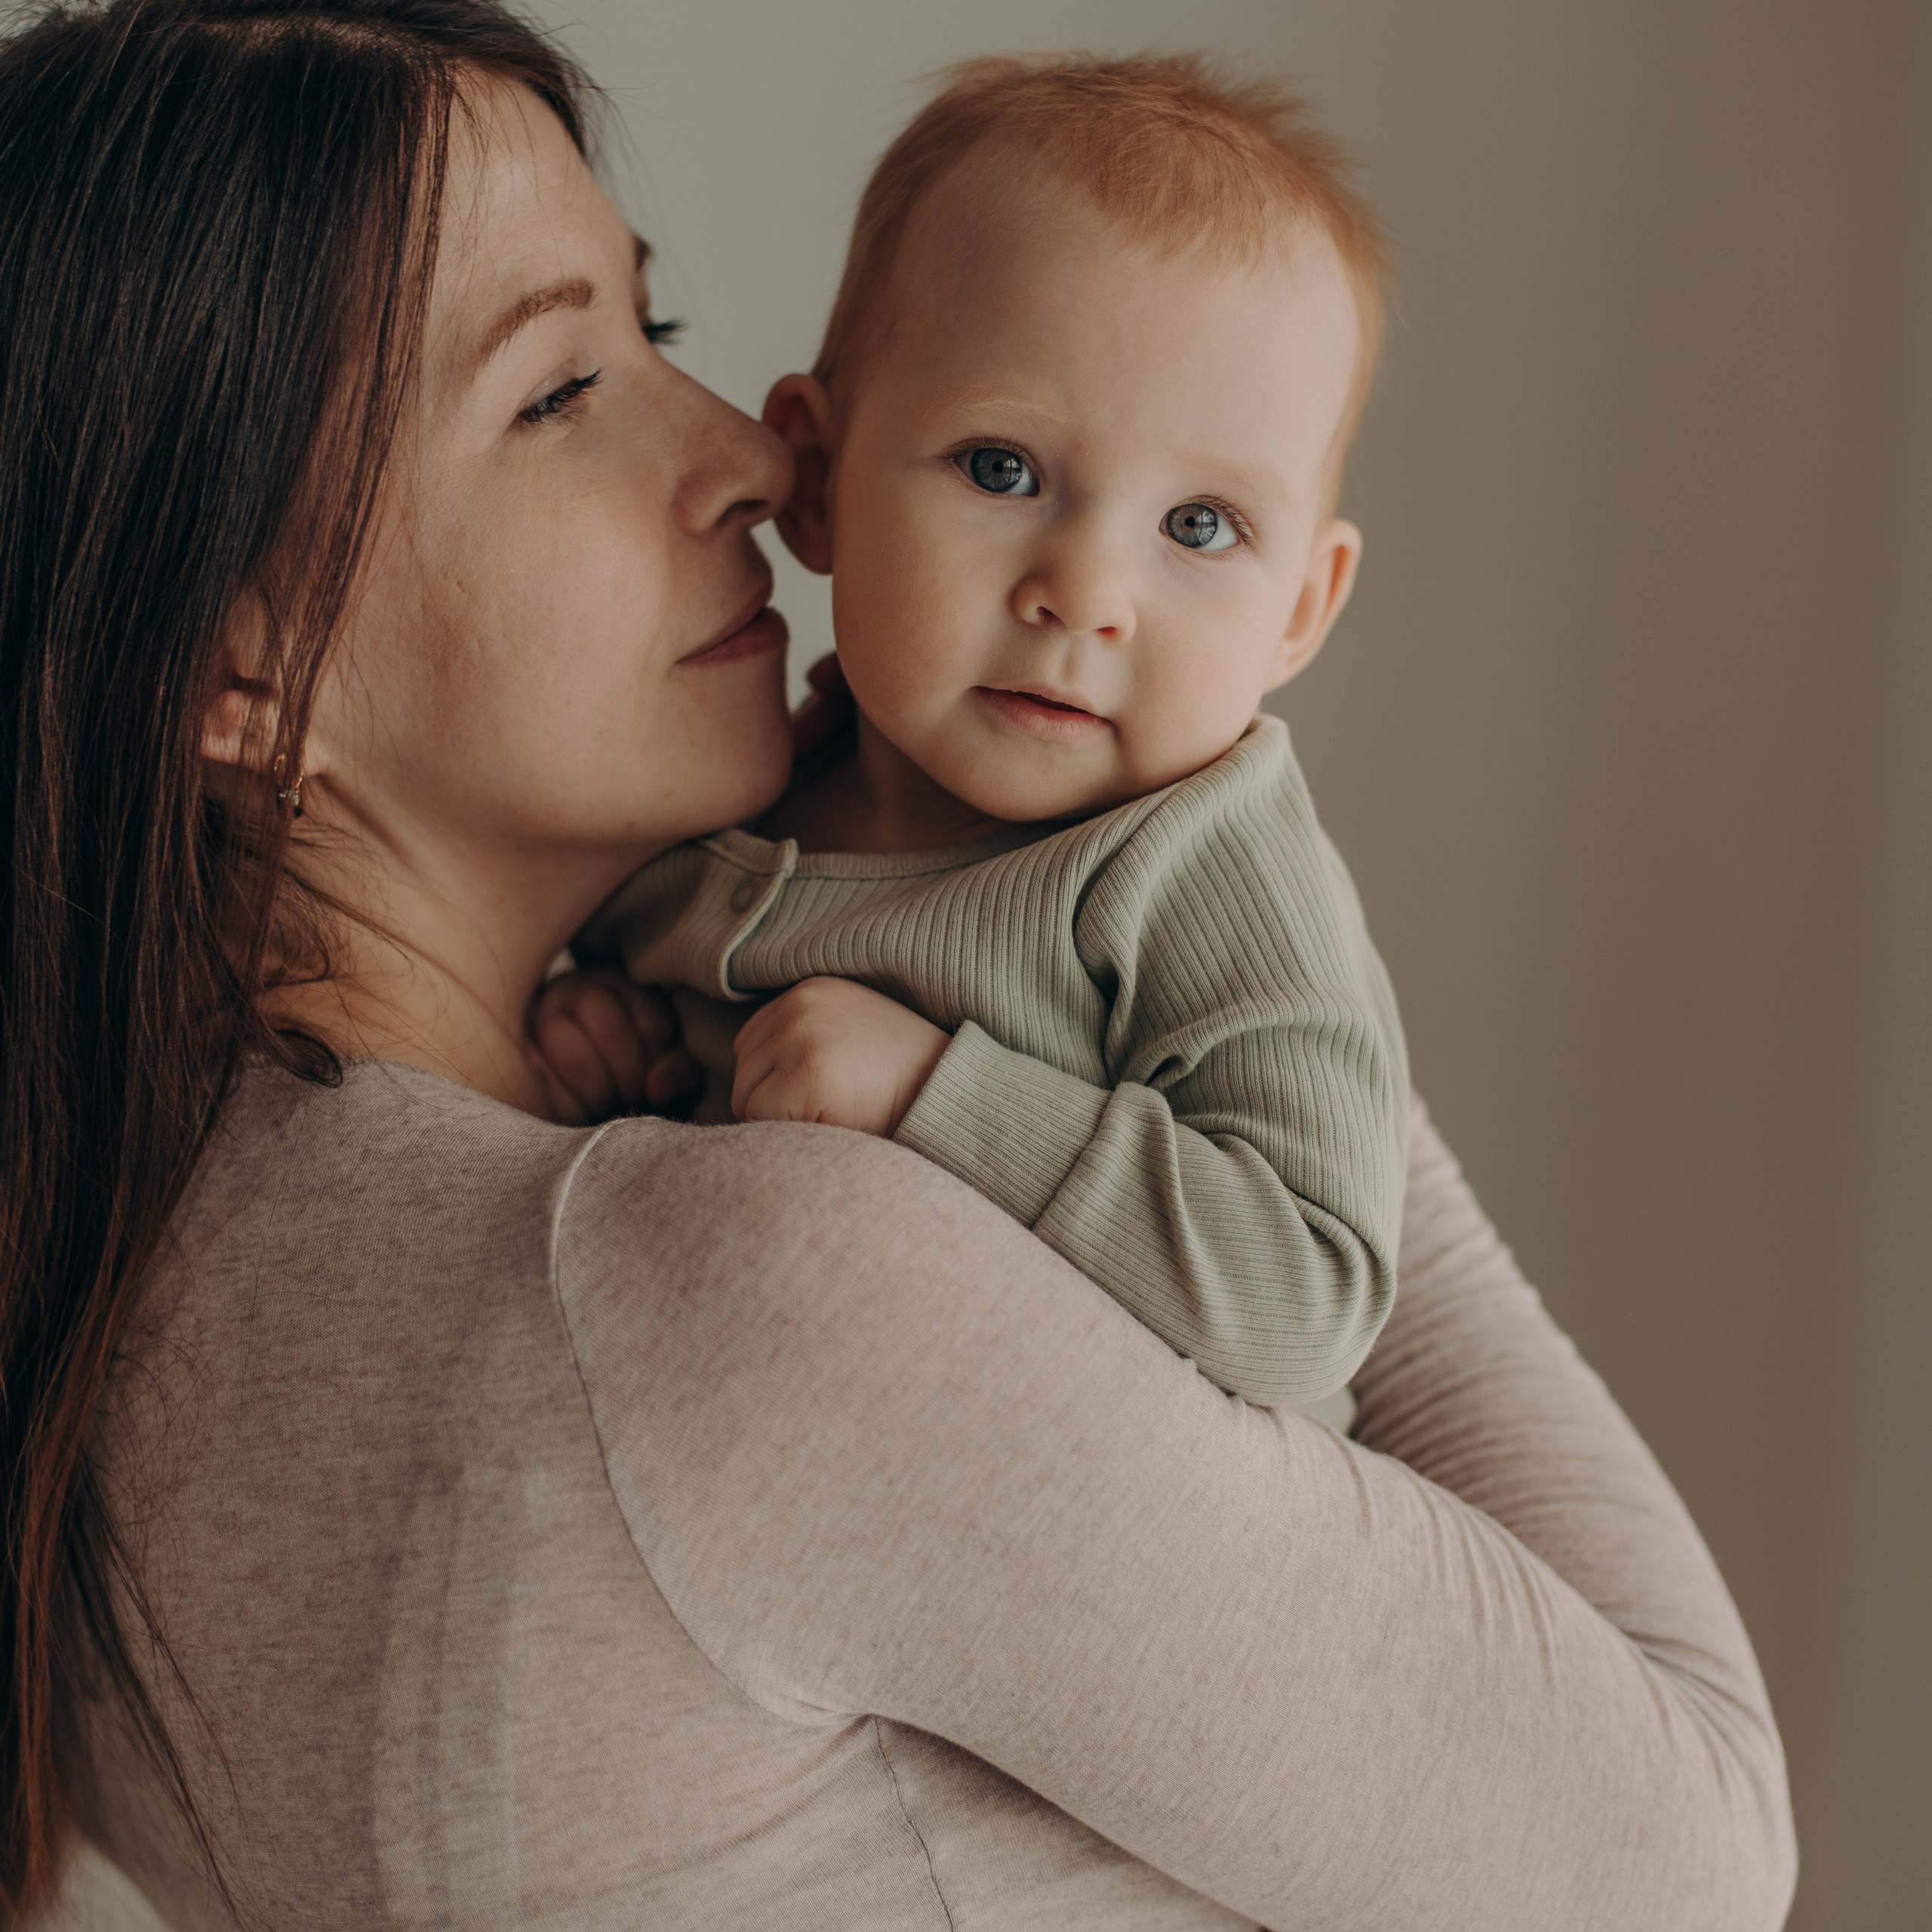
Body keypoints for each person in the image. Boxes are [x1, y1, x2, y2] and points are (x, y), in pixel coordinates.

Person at [0, 2, 1795, 1927]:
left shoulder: (107, 1273)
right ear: (238, 673)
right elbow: (1684, 1856)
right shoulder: (740, 1281)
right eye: (556, 391)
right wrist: (1178, 889)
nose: (743, 464)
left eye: (652, 334)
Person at [560, 56, 1408, 1417]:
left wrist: (935, 1096)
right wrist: (607, 1031)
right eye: (1002, 470)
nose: (1085, 593)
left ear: (1302, 609)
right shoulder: (729, 799)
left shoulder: (1203, 867)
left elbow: (1305, 1294)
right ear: (821, 483)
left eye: (1201, 526)